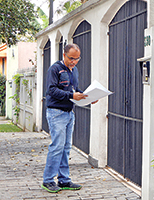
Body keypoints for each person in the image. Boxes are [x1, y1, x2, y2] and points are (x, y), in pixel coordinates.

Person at [41, 43, 95, 193]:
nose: (74, 62)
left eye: (77, 59)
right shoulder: (55, 69)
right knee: (57, 147)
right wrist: (71, 95)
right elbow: (51, 90)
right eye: (71, 58)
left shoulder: (74, 70)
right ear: (64, 55)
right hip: (56, 113)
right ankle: (48, 180)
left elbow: (74, 90)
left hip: (69, 113)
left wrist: (87, 96)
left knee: (66, 147)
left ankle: (64, 180)